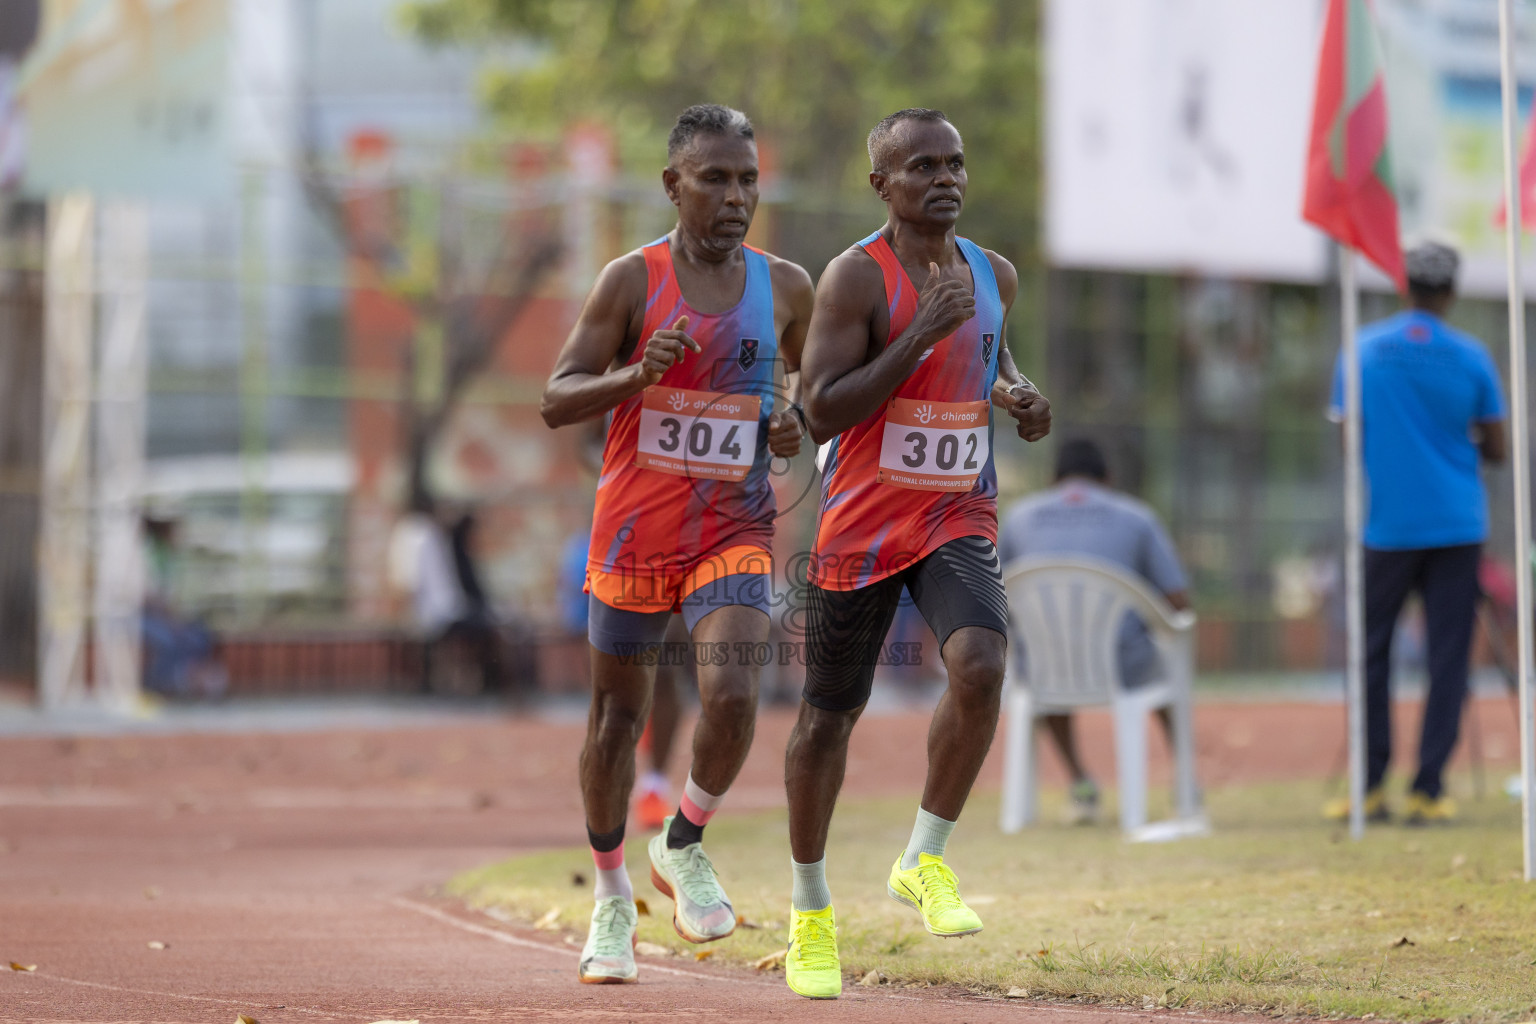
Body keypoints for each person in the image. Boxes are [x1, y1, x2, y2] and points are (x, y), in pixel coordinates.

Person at [539, 104, 814, 984]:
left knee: (735, 691)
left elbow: (814, 394)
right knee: (617, 722)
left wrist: (792, 422)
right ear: (673, 184)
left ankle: (684, 839)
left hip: (732, 529)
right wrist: (635, 376)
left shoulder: (790, 288)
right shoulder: (630, 280)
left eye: (747, 180)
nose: (735, 197)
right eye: (715, 178)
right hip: (632, 530)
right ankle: (612, 896)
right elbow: (558, 396)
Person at [781, 108, 1051, 1000]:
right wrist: (917, 333)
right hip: (861, 523)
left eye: (956, 163)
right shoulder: (855, 278)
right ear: (882, 185)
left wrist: (1016, 393)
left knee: (980, 664)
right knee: (828, 718)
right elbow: (821, 410)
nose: (946, 179)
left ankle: (924, 859)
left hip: (954, 515)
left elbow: (990, 356)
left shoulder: (993, 273)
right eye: (923, 165)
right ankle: (811, 910)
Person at [1323, 241, 1507, 826]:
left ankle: (1371, 786)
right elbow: (1497, 448)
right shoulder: (1473, 356)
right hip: (1458, 524)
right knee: (1448, 658)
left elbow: (1347, 439)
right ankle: (1429, 788)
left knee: (1371, 654)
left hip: (1387, 526)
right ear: (1451, 292)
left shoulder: (1364, 349)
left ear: (1405, 286)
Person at [997, 438, 1191, 824]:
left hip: (1043, 666)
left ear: (1054, 479)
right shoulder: (1137, 516)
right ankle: (1185, 780)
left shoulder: (1018, 517)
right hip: (1123, 665)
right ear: (1109, 478)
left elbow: (992, 592)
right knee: (1166, 665)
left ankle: (1081, 784)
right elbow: (1178, 601)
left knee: (1046, 654)